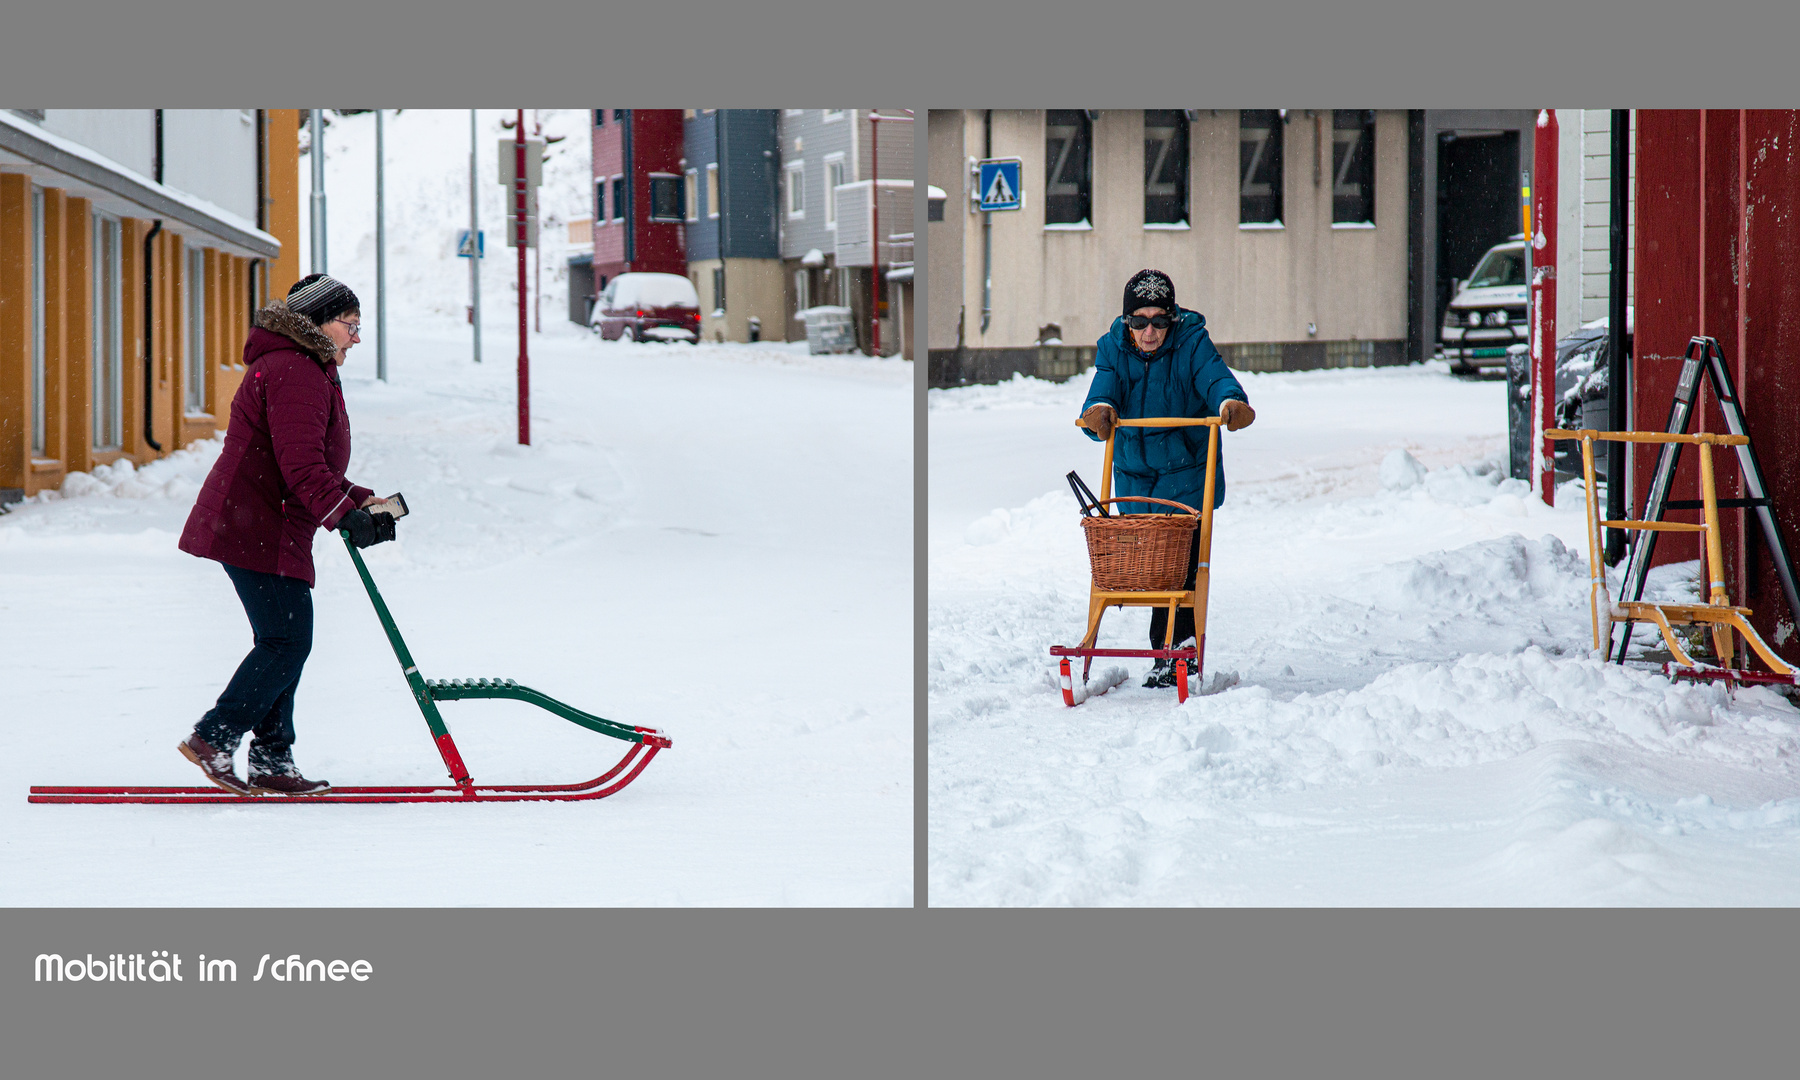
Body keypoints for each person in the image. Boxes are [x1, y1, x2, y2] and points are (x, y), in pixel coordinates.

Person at [175, 274, 397, 794]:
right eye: (351, 325)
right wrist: (344, 515)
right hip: (256, 521)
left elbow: (309, 462)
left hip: (269, 520)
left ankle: (273, 760)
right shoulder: (295, 370)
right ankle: (214, 737)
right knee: (286, 640)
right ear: (318, 323)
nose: (357, 338)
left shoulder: (304, 366)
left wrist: (359, 499)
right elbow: (298, 466)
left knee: (283, 640)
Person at [1079, 269, 1255, 688]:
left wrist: (1230, 402)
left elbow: (1214, 377)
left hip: (1187, 474)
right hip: (1136, 476)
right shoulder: (1113, 348)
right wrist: (1099, 409)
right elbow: (1104, 386)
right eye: (1139, 321)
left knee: (1183, 566)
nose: (1150, 331)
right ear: (1128, 323)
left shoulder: (1192, 342)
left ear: (1172, 319)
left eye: (1159, 320)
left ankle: (1179, 650)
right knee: (1153, 570)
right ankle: (1164, 651)